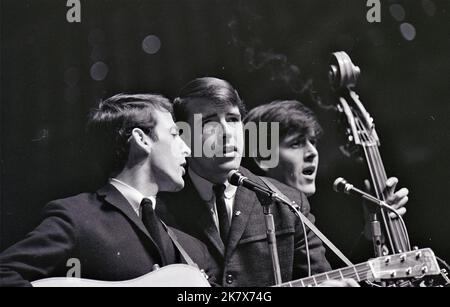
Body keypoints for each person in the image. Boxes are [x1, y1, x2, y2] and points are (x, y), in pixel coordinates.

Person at [0, 93, 218, 287]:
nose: (187, 149)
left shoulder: (193, 250)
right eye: (173, 134)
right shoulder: (77, 217)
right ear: (142, 140)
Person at [156, 77, 355, 287]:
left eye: (233, 119)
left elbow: (320, 277)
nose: (227, 133)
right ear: (183, 136)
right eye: (209, 122)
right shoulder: (157, 207)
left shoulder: (289, 202)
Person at [242, 99, 409, 248]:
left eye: (313, 142)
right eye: (296, 143)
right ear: (262, 159)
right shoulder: (247, 228)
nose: (312, 152)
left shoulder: (308, 218)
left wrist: (372, 229)